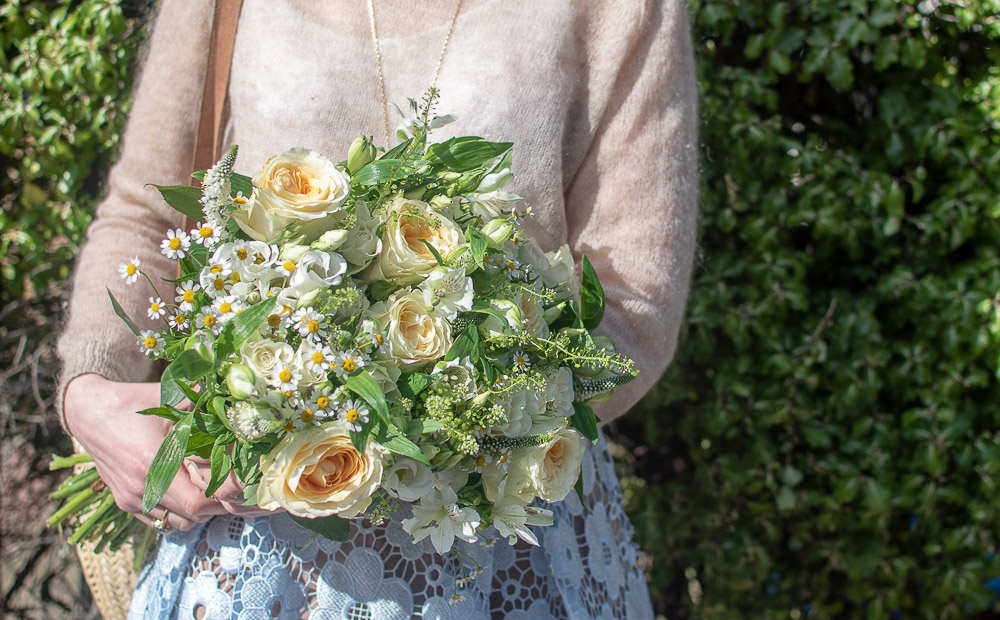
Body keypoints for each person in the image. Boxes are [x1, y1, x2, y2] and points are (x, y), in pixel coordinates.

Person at [58, 0, 698, 617]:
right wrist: (88, 391)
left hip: (502, 541)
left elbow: (631, 305)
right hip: (247, 542)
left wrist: (434, 416)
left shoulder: (619, 8)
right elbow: (147, 219)